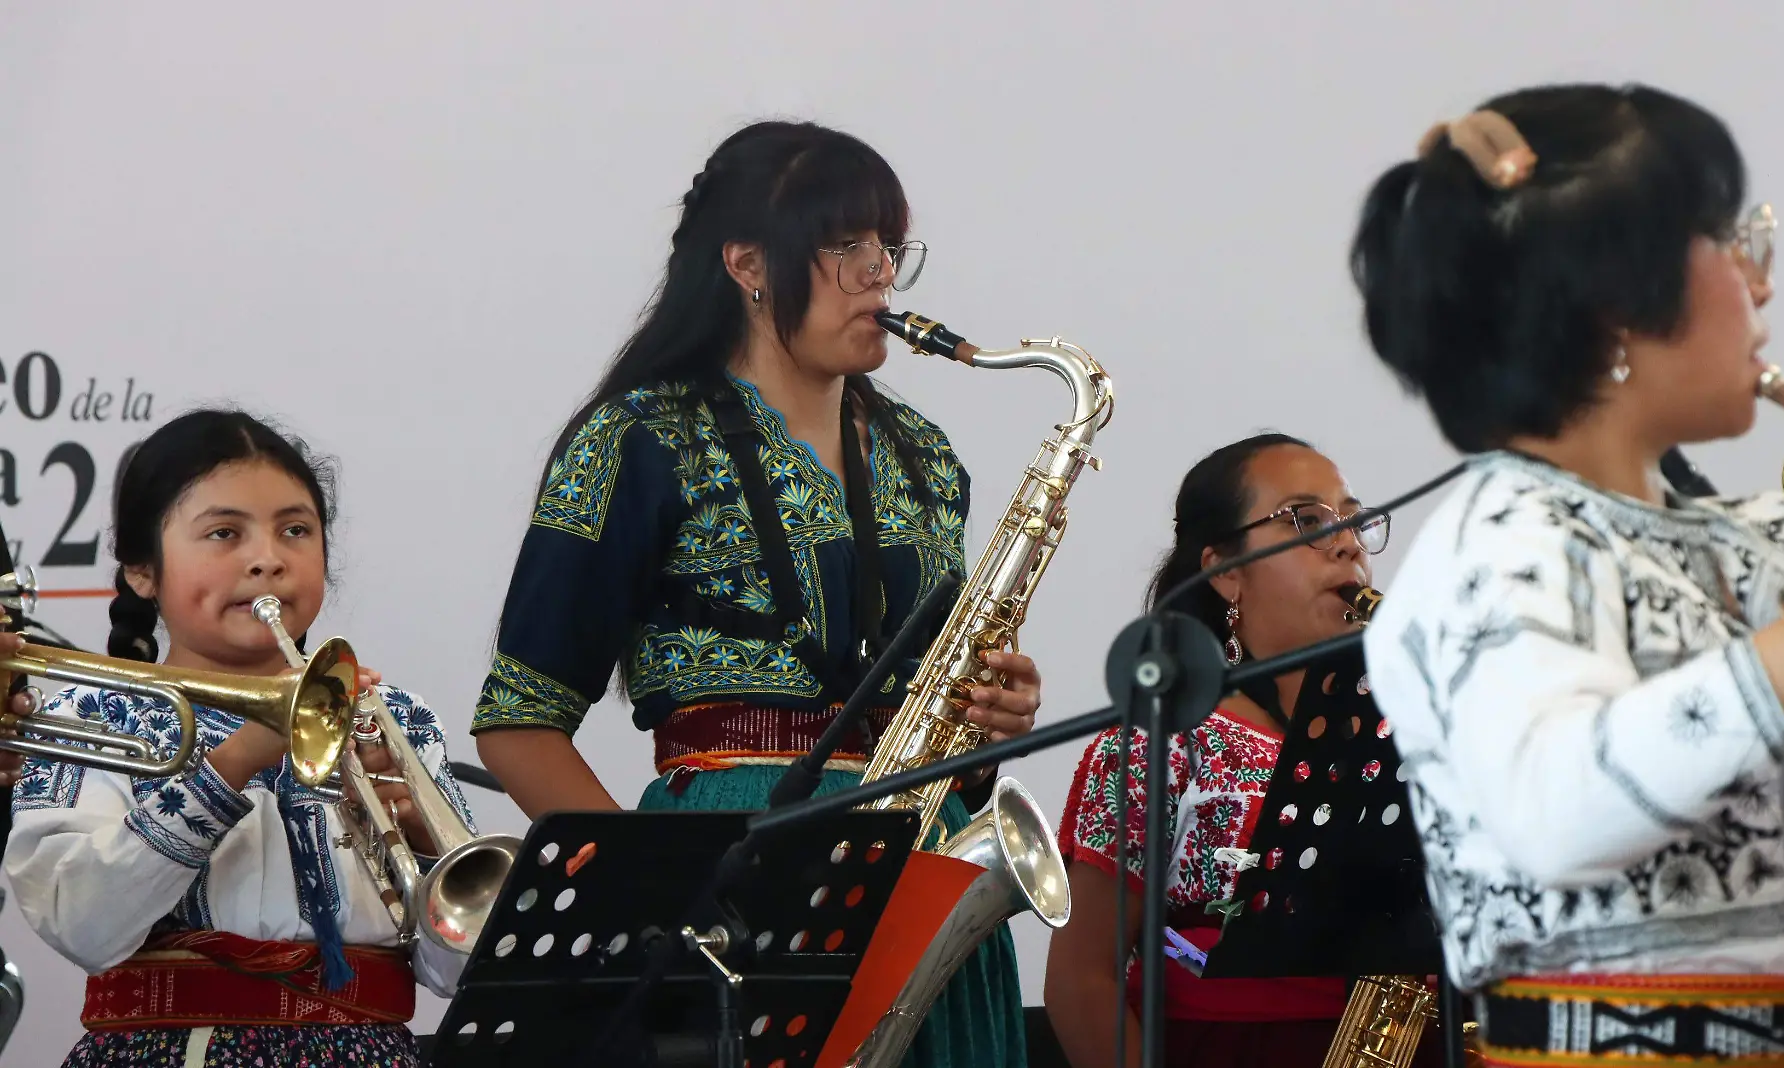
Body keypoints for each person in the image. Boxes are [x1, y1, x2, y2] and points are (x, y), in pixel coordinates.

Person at [469, 120, 1043, 1068]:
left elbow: (943, 710)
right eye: (845, 248)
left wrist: (992, 722)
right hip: (727, 877)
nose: (881, 276)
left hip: (924, 872)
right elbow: (518, 720)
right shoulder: (635, 440)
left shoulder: (926, 458)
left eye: (887, 248)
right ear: (747, 264)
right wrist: (667, 900)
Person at [1352, 84, 1784, 1065]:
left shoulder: (1771, 545)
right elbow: (1556, 810)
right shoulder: (1497, 541)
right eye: (1730, 244)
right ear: (1614, 308)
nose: (1760, 285)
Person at [5, 409, 476, 1067]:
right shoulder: (89, 715)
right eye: (224, 533)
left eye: (295, 530)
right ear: (143, 570)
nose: (267, 560)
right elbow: (84, 927)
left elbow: (456, 975)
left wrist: (422, 842)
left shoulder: (395, 716)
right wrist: (233, 763)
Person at [1045, 433, 1435, 1068]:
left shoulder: (1412, 732)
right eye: (1307, 522)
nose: (1348, 543)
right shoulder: (1158, 746)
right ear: (1225, 572)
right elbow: (1080, 981)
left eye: (1355, 522)